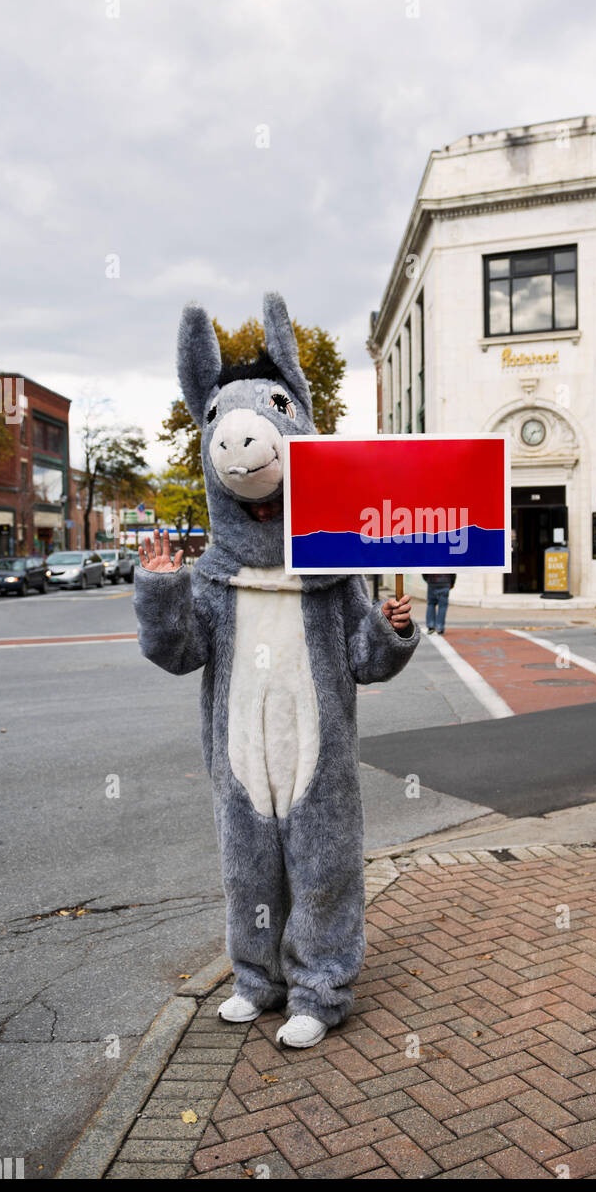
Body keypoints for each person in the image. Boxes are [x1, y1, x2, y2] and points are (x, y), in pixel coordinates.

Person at [134, 292, 419, 1049]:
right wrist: (162, 590)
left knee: (325, 869)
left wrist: (393, 633)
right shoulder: (214, 577)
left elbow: (364, 662)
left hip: (316, 762)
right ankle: (256, 980)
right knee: (247, 870)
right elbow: (179, 653)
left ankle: (320, 988)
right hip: (240, 762)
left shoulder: (335, 570)